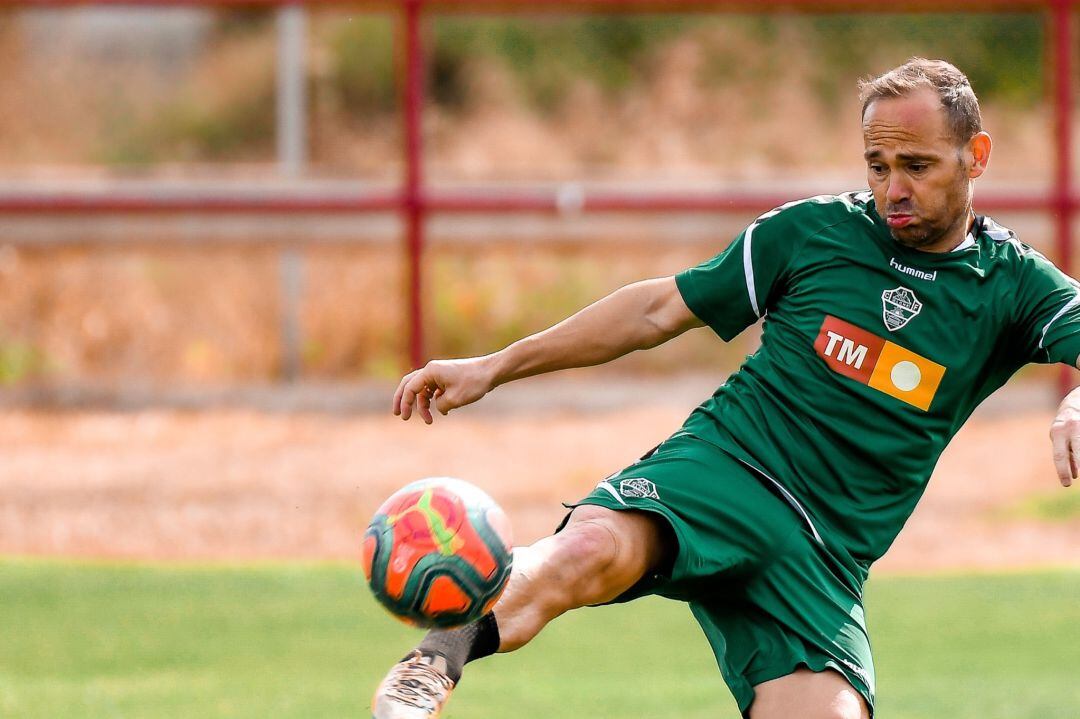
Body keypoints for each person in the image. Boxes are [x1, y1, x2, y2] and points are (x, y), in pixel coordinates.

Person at [371, 58, 1080, 719]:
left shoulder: (1012, 285)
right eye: (878, 164)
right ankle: (433, 661)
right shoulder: (811, 233)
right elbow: (656, 311)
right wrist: (491, 366)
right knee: (588, 549)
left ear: (976, 156)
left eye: (917, 166)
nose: (893, 189)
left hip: (824, 554)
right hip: (727, 466)